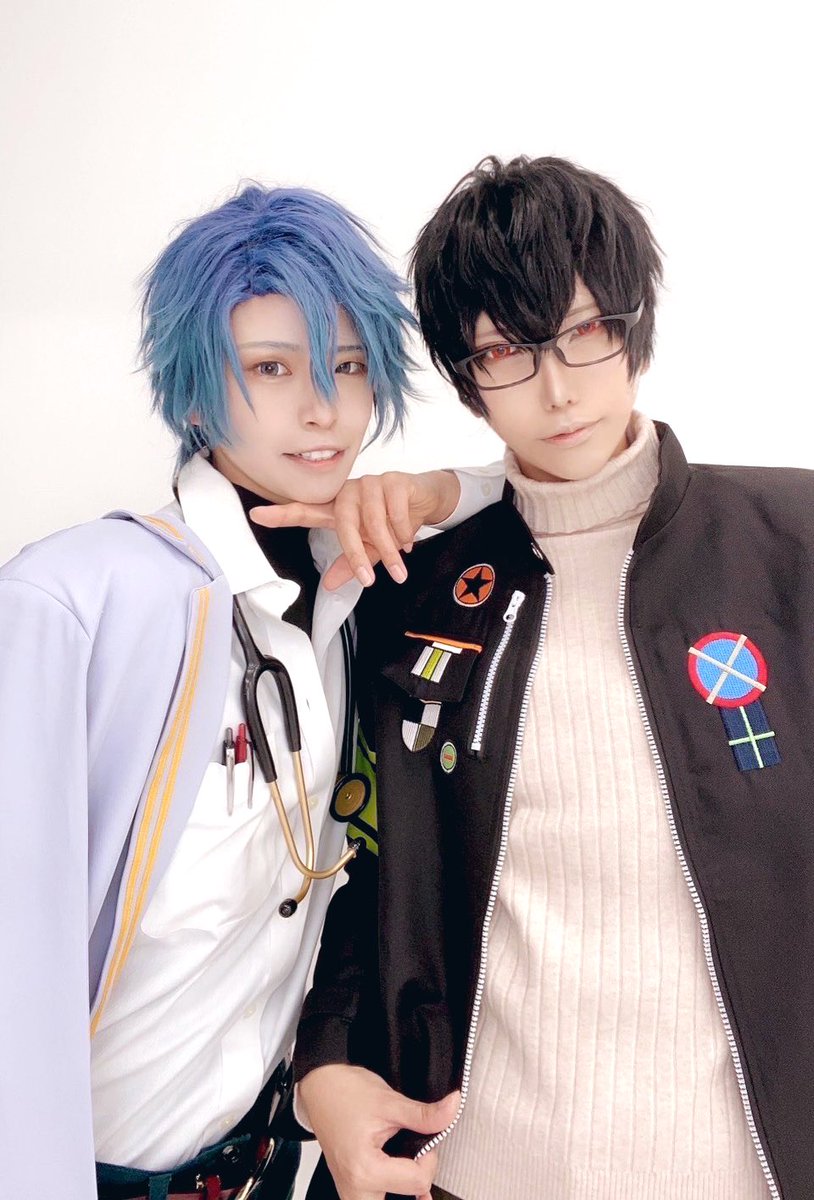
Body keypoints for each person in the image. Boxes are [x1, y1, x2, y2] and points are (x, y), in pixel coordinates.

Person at [288, 156, 814, 1200]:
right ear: (464, 374)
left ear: (634, 323)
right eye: (505, 353)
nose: (558, 388)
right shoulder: (418, 590)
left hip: (740, 1169)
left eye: (584, 332)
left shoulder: (786, 544)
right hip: (477, 1166)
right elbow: (374, 865)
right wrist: (325, 1064)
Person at [0, 183, 476, 1200]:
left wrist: (430, 491)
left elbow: (538, 491)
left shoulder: (354, 601)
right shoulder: (73, 601)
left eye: (349, 366)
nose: (322, 408)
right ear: (191, 395)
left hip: (260, 1170)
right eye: (270, 368)